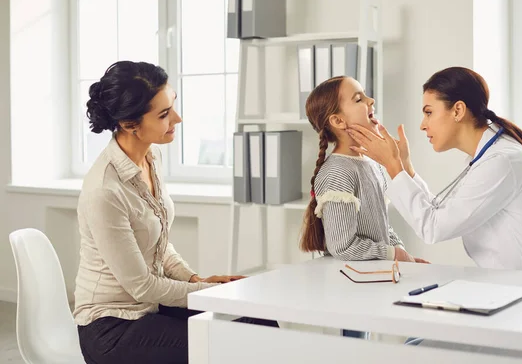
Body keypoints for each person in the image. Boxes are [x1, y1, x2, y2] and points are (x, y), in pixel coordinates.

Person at [73, 61, 277, 364]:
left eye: (173, 106)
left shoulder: (150, 158)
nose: (177, 119)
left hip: (150, 308)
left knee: (260, 321)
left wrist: (196, 280)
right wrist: (207, 292)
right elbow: (141, 285)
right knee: (235, 341)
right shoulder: (105, 191)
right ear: (131, 124)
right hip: (113, 328)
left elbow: (159, 245)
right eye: (164, 114)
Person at [347, 66, 522, 273]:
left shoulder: (501, 162)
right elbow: (439, 210)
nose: (423, 125)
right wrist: (405, 166)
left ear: (458, 110)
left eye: (429, 112)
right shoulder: (483, 157)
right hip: (515, 288)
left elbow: (433, 228)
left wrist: (392, 166)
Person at [299, 75, 429, 339]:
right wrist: (395, 255)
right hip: (352, 286)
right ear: (337, 121)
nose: (370, 101)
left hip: (372, 279)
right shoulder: (337, 172)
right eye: (359, 98)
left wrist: (403, 254)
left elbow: (380, 225)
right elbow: (343, 246)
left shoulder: (370, 164)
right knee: (356, 346)